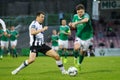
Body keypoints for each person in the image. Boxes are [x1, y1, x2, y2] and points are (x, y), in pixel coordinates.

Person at [69, 4, 93, 71]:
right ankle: (75, 59)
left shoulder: (86, 15)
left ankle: (79, 64)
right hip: (79, 35)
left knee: (83, 52)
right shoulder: (75, 16)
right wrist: (71, 24)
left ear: (84, 11)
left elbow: (86, 20)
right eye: (78, 12)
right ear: (76, 12)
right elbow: (74, 26)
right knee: (76, 47)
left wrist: (76, 23)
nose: (80, 13)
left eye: (81, 12)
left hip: (87, 37)